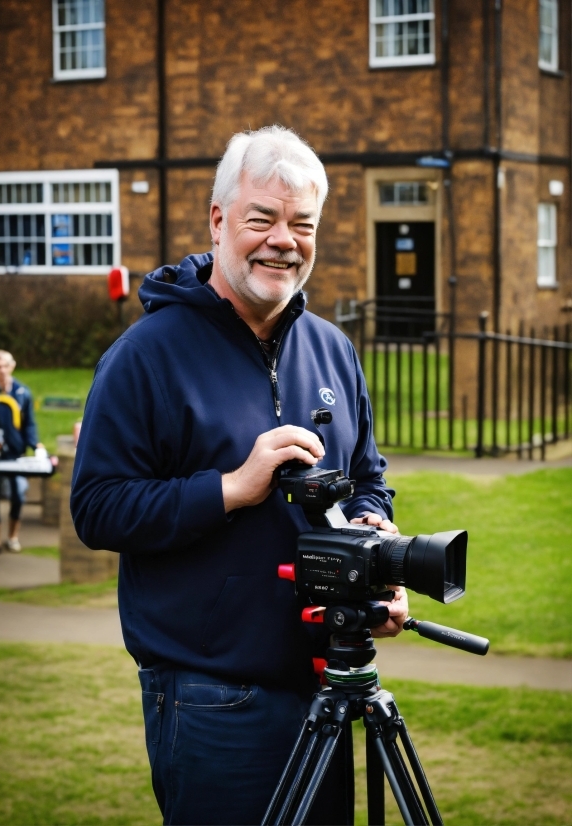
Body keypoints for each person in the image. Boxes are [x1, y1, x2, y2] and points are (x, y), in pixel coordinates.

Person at [71, 125, 408, 826]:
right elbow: (98, 507)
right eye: (264, 219)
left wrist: (377, 541)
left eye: (302, 224)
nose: (283, 240)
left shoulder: (334, 350)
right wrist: (232, 487)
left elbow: (368, 479)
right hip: (209, 696)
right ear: (220, 219)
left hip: (326, 682)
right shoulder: (145, 356)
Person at [0, 350, 43, 554]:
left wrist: (35, 444)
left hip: (16, 455)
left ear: (12, 366)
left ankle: (13, 537)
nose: (2, 370)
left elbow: (29, 424)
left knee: (18, 496)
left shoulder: (23, 393)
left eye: (5, 365)